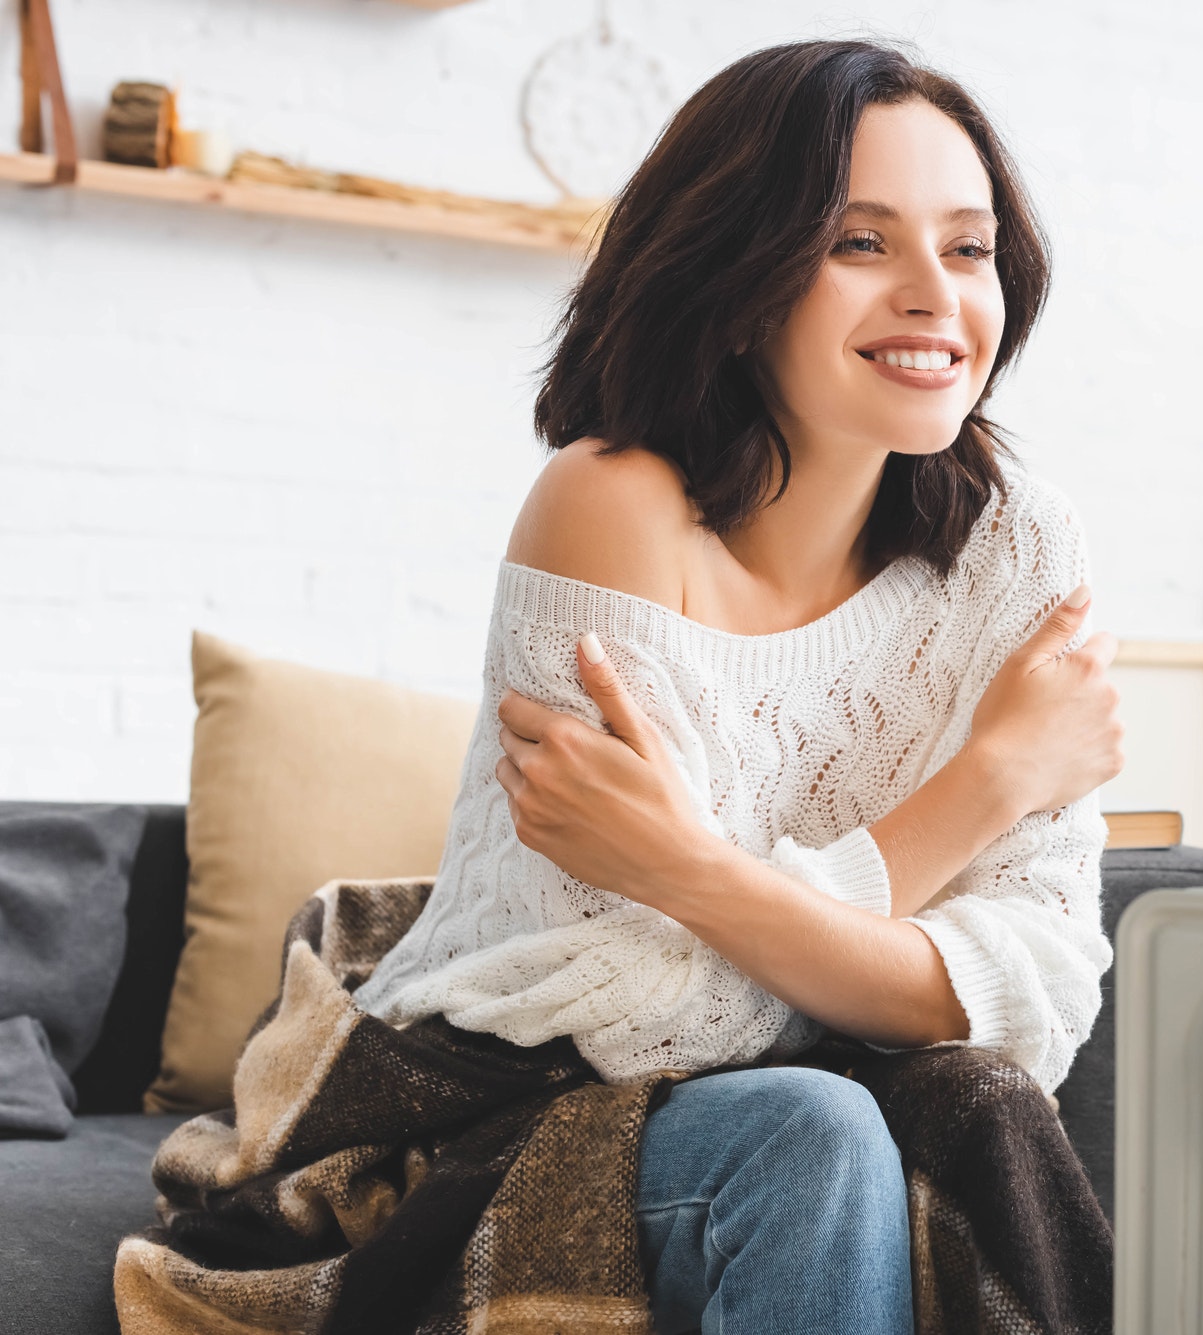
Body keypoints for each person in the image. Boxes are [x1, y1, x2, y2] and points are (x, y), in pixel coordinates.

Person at [351, 38, 1125, 1335]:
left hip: (812, 1114)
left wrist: (696, 876)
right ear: (742, 275)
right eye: (861, 244)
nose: (937, 297)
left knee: (970, 1105)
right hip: (496, 1108)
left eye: (970, 247)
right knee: (807, 1123)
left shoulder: (1022, 546)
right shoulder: (613, 510)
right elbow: (649, 1015)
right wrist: (988, 780)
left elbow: (1030, 998)